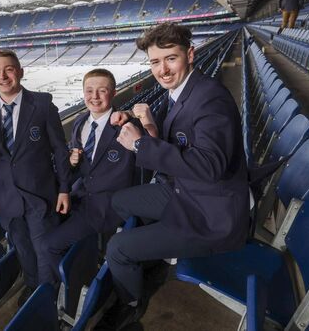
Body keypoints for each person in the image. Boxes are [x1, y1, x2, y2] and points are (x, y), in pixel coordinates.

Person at [94, 23, 250, 330]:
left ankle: (130, 306)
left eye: (170, 59)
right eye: (155, 61)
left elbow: (209, 166)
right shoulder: (182, 91)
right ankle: (150, 254)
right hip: (187, 193)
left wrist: (139, 145)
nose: (162, 70)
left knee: (118, 247)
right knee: (120, 201)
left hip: (210, 216)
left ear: (189, 55)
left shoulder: (209, 98)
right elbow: (179, 149)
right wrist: (148, 129)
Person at [0, 49, 71, 305]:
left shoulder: (42, 104)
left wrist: (64, 188)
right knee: (24, 252)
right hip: (7, 201)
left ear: (20, 72)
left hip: (40, 197)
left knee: (46, 252)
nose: (3, 76)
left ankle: (49, 302)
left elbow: (59, 149)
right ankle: (34, 289)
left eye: (9, 69)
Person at [41, 68, 157, 282]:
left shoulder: (128, 126)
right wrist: (71, 161)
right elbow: (81, 168)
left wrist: (134, 116)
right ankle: (84, 265)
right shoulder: (79, 122)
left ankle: (71, 290)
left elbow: (151, 149)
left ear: (113, 93)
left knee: (49, 246)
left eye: (101, 91)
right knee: (41, 221)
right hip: (81, 197)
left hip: (107, 207)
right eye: (89, 90)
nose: (94, 97)